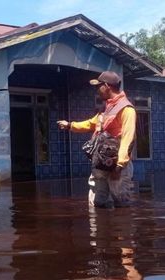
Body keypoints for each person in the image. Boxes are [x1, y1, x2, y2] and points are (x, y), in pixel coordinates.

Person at [57, 71, 136, 208]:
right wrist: (70, 125)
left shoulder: (127, 109)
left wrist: (119, 166)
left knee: (122, 205)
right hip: (100, 163)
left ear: (106, 86)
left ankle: (122, 229)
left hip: (117, 165)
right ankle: (98, 229)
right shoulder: (106, 108)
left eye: (98, 86)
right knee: (97, 203)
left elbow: (128, 139)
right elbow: (91, 124)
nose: (96, 90)